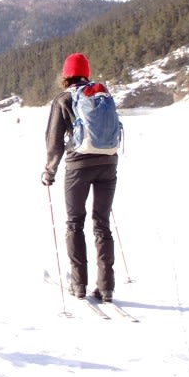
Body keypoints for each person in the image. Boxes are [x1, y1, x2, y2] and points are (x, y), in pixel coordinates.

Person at [41, 52, 118, 303]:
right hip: (108, 162)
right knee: (102, 223)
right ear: (86, 72)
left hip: (78, 166)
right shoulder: (100, 95)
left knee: (75, 223)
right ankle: (106, 287)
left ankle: (79, 284)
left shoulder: (64, 99)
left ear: (66, 75)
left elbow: (54, 141)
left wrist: (49, 171)